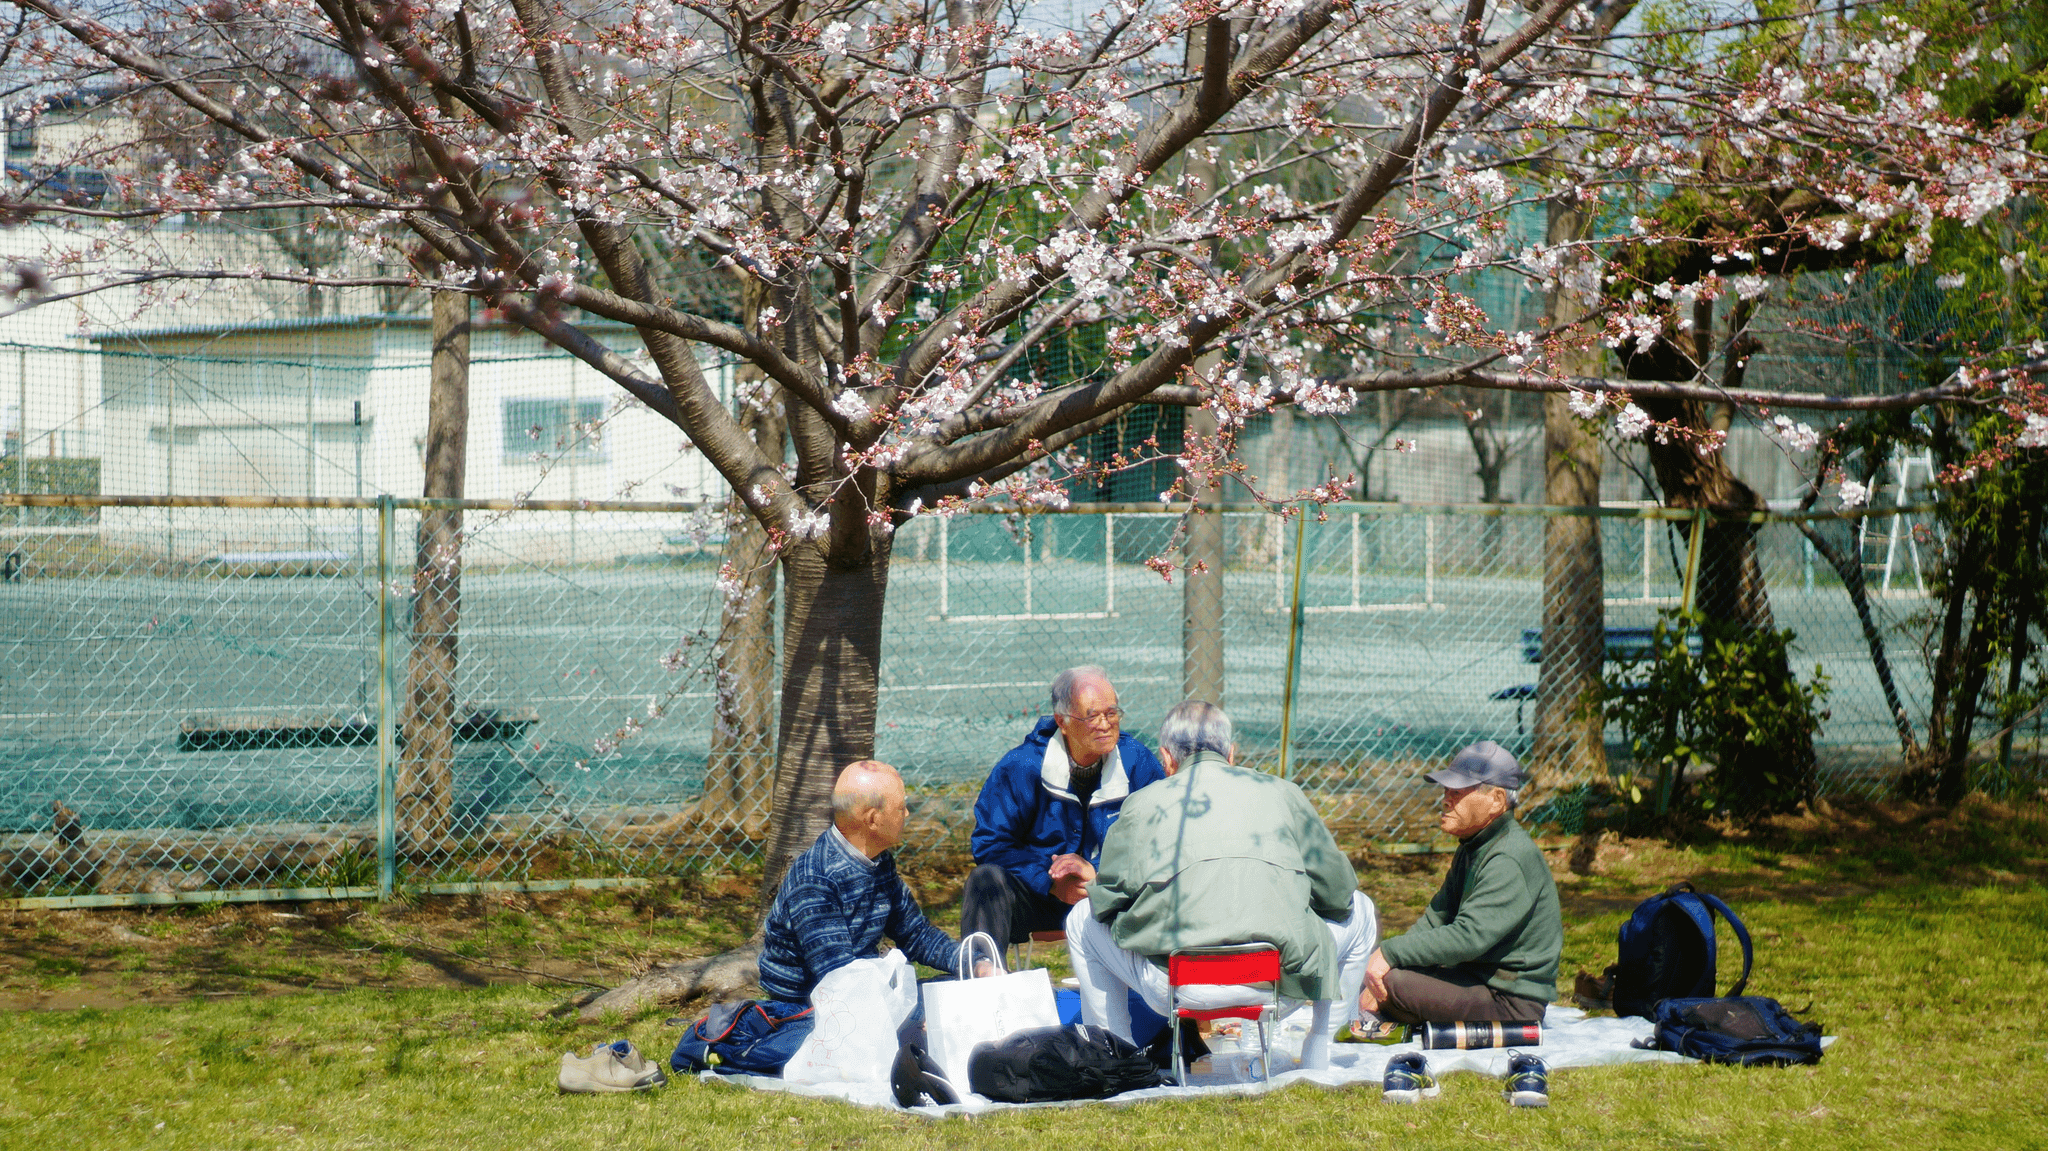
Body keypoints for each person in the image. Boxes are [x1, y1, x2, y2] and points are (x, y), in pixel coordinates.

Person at [1063, 701, 1376, 1071]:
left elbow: (1108, 901)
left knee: (1081, 918)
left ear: (1166, 758)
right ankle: (1322, 1048)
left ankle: (1117, 1056)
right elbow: (1339, 894)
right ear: (1231, 753)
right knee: (1362, 909)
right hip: (1277, 980)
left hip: (1180, 985)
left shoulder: (1141, 805)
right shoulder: (1284, 793)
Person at [1358, 740, 1562, 1026]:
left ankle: (1394, 1008)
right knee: (1372, 975)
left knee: (1390, 983)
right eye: (1446, 791)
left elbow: (1469, 938)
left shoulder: (1509, 856)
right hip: (1475, 979)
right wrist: (1388, 960)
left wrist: (1390, 955)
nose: (1445, 799)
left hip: (1510, 999)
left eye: (1458, 792)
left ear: (1497, 800)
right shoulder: (1474, 845)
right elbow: (1436, 918)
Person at [960, 666, 1167, 946]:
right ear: (1063, 721)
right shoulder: (1023, 767)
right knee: (985, 880)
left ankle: (1164, 983)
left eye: (1112, 712)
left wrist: (1095, 873)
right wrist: (1051, 881)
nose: (1105, 724)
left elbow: (1160, 838)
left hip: (1112, 896)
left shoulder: (1136, 761)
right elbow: (990, 844)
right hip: (1042, 896)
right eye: (1092, 715)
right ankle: (983, 974)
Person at [758, 760, 963, 1004]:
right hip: (807, 1008)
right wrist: (915, 1019)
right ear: (873, 820)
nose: (907, 814)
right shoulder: (816, 880)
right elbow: (838, 978)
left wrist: (972, 962)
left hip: (861, 988)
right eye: (901, 807)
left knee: (964, 992)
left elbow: (915, 933)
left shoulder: (879, 861)